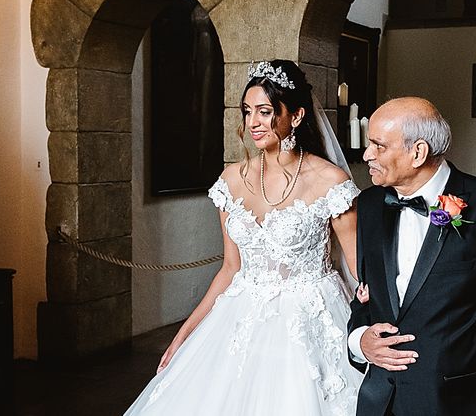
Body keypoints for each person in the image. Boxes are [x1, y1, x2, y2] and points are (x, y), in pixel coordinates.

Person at [124, 60, 363, 415]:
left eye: (265, 112)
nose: (252, 122)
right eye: (248, 111)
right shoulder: (232, 179)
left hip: (310, 317)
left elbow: (360, 271)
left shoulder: (331, 182)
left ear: (295, 116)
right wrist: (186, 332)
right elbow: (230, 268)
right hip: (240, 318)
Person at [347, 97, 476, 415]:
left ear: (418, 152)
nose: (367, 154)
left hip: (457, 403)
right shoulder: (370, 205)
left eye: (379, 146)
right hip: (381, 401)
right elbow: (366, 298)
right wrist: (359, 341)